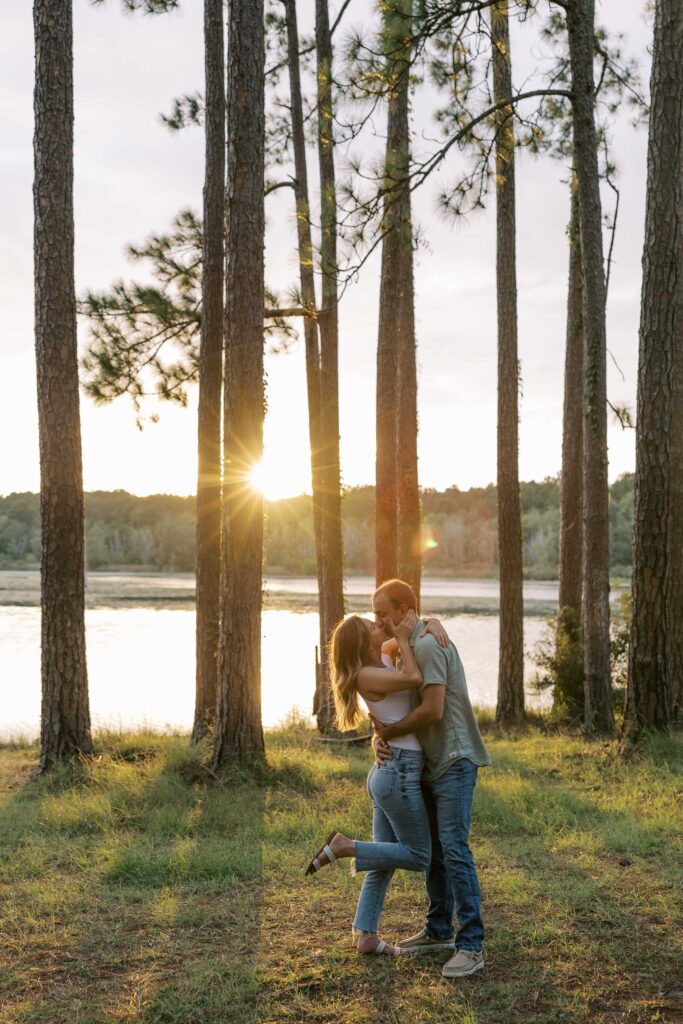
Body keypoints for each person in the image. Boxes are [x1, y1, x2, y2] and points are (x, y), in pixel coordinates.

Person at [305, 609, 447, 957]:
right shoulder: (367, 675)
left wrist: (433, 622)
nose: (378, 624)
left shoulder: (381, 657)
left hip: (390, 770)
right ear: (361, 642)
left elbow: (412, 629)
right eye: (372, 626)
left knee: (382, 861)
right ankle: (343, 846)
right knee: (419, 855)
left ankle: (366, 936)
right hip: (398, 772)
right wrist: (400, 638)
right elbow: (414, 677)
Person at [371, 578, 491, 979]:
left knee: (454, 849)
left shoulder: (425, 645)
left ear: (405, 611)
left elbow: (434, 709)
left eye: (383, 614)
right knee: (438, 852)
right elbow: (389, 663)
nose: (379, 622)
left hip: (454, 759)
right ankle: (439, 930)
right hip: (430, 761)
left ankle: (471, 945)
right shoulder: (410, 641)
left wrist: (386, 733)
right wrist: (380, 733)